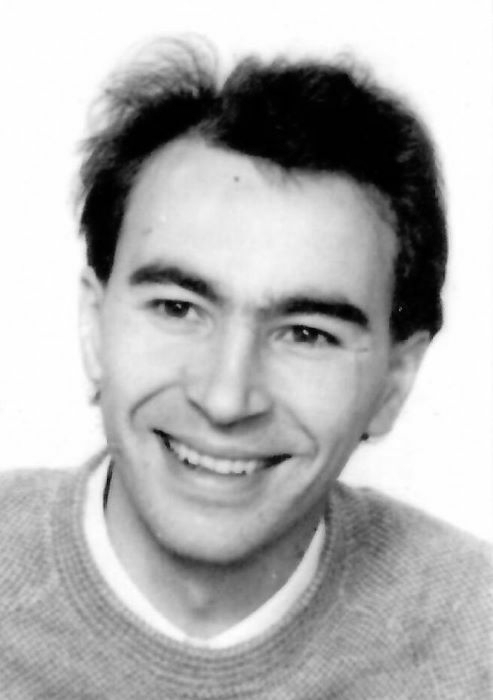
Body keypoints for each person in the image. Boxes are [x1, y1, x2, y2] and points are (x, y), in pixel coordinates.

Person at [0, 38, 490, 699]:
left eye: (307, 334)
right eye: (178, 308)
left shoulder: (476, 641)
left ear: (394, 382)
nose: (226, 399)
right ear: (94, 324)